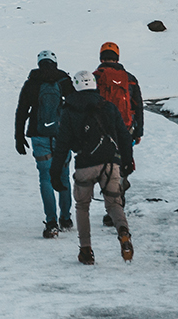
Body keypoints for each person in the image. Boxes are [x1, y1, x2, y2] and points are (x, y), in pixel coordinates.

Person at [50, 70, 135, 264]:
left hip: (85, 164)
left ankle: (86, 250)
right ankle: (123, 231)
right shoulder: (109, 107)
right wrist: (127, 162)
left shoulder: (69, 110)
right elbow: (124, 136)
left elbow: (62, 144)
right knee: (114, 203)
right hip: (111, 162)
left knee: (82, 207)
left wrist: (55, 172)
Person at [15, 50, 73, 236]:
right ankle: (66, 217)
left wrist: (19, 136)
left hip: (39, 135)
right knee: (64, 176)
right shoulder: (64, 81)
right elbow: (74, 108)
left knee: (45, 178)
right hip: (63, 135)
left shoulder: (32, 82)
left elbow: (22, 110)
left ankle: (51, 222)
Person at [94, 41, 144, 227]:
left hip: (102, 130)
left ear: (101, 57)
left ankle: (111, 208)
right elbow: (138, 106)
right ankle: (118, 206)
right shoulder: (129, 78)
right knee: (122, 166)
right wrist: (138, 131)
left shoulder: (96, 77)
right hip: (126, 129)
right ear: (117, 57)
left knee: (106, 167)